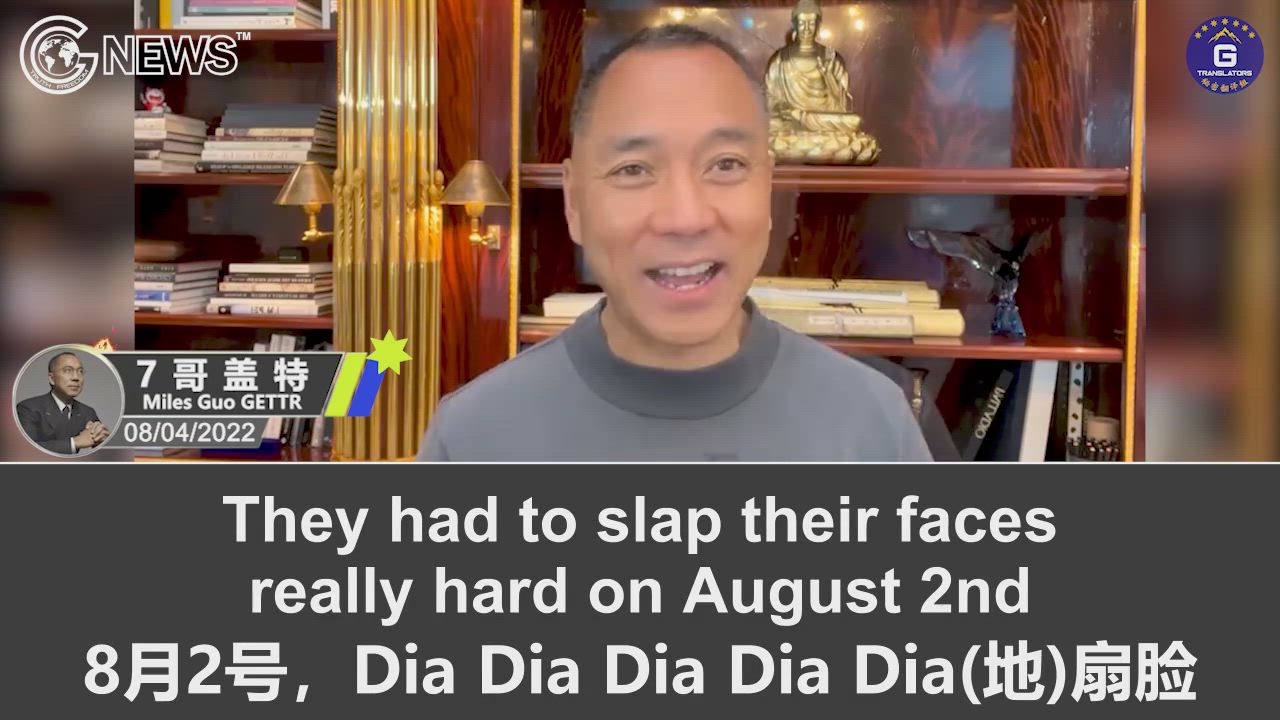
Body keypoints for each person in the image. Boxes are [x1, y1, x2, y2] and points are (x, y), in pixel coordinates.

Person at [418, 24, 931, 461]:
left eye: (726, 164)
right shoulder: (474, 438)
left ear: (770, 190)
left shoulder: (873, 424)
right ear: (573, 204)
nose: (686, 218)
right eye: (633, 169)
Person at [16, 351, 109, 455]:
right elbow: (25, 450)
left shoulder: (87, 412)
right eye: (68, 370)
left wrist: (102, 438)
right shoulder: (28, 409)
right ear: (52, 379)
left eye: (80, 371)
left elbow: (103, 449)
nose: (76, 378)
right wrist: (74, 443)